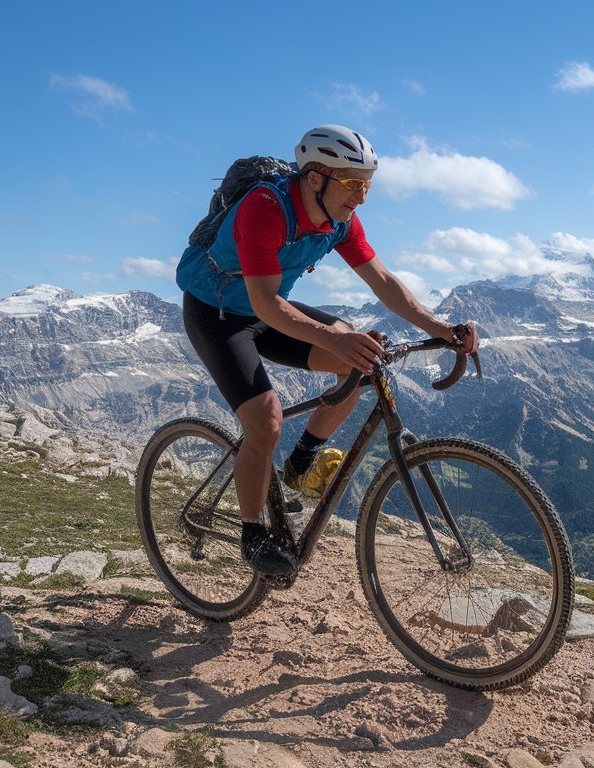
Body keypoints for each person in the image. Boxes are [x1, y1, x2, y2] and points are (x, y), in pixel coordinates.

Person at [175, 124, 477, 576]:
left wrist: (442, 328)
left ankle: (300, 464)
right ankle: (253, 534)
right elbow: (266, 303)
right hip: (217, 313)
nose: (361, 197)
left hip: (268, 309)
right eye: (353, 183)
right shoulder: (265, 208)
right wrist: (335, 338)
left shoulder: (339, 220)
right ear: (315, 177)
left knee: (360, 365)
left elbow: (383, 282)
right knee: (266, 421)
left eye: (368, 185)